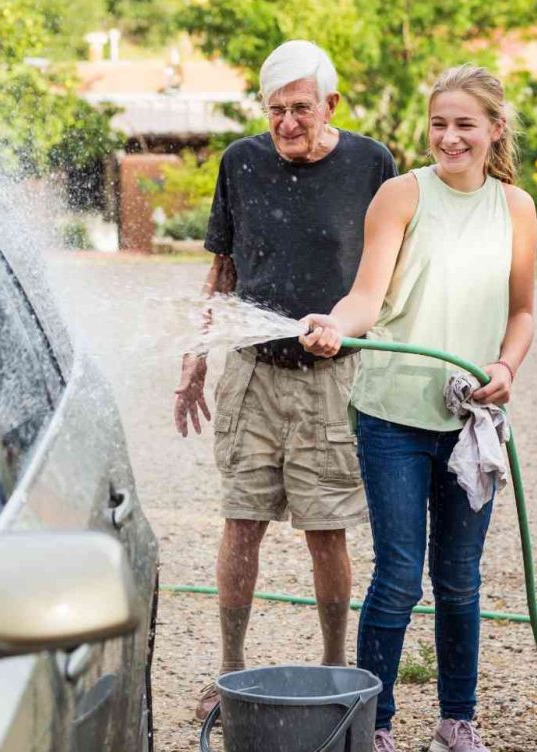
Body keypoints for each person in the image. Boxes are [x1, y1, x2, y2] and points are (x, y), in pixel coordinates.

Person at [300, 64, 537, 752]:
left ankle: (456, 722)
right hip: (393, 415)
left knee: (460, 579)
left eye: (465, 124)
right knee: (400, 575)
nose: (450, 137)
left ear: (495, 130)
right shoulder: (401, 196)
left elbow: (522, 312)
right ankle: (372, 727)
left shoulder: (515, 208)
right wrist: (338, 325)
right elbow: (366, 297)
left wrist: (504, 367)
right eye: (439, 124)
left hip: (471, 419)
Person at [173, 39, 397, 720]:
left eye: (302, 108)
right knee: (241, 524)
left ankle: (336, 670)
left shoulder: (371, 163)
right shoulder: (240, 162)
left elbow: (386, 271)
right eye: (276, 110)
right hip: (251, 372)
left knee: (325, 529)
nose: (288, 123)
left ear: (331, 103)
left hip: (332, 378)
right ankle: (229, 669)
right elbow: (223, 268)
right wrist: (196, 354)